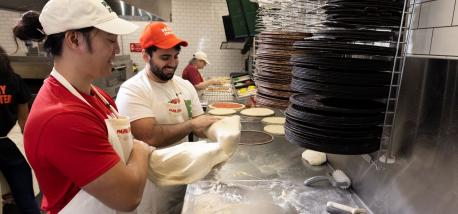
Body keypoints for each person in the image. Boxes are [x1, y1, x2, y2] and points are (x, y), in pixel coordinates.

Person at [12, 0, 152, 213]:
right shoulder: (60, 116)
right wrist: (141, 149)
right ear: (74, 39)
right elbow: (128, 196)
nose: (116, 49)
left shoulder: (98, 96)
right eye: (110, 40)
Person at [115, 22, 219, 213]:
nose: (172, 63)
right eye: (165, 57)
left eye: (175, 56)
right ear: (146, 56)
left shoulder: (184, 86)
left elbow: (199, 124)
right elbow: (150, 136)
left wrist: (220, 131)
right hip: (152, 184)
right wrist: (192, 124)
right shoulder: (133, 89)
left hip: (185, 176)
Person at [0, 45, 40, 214]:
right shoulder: (14, 80)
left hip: (8, 144)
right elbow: (25, 119)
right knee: (25, 199)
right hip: (11, 145)